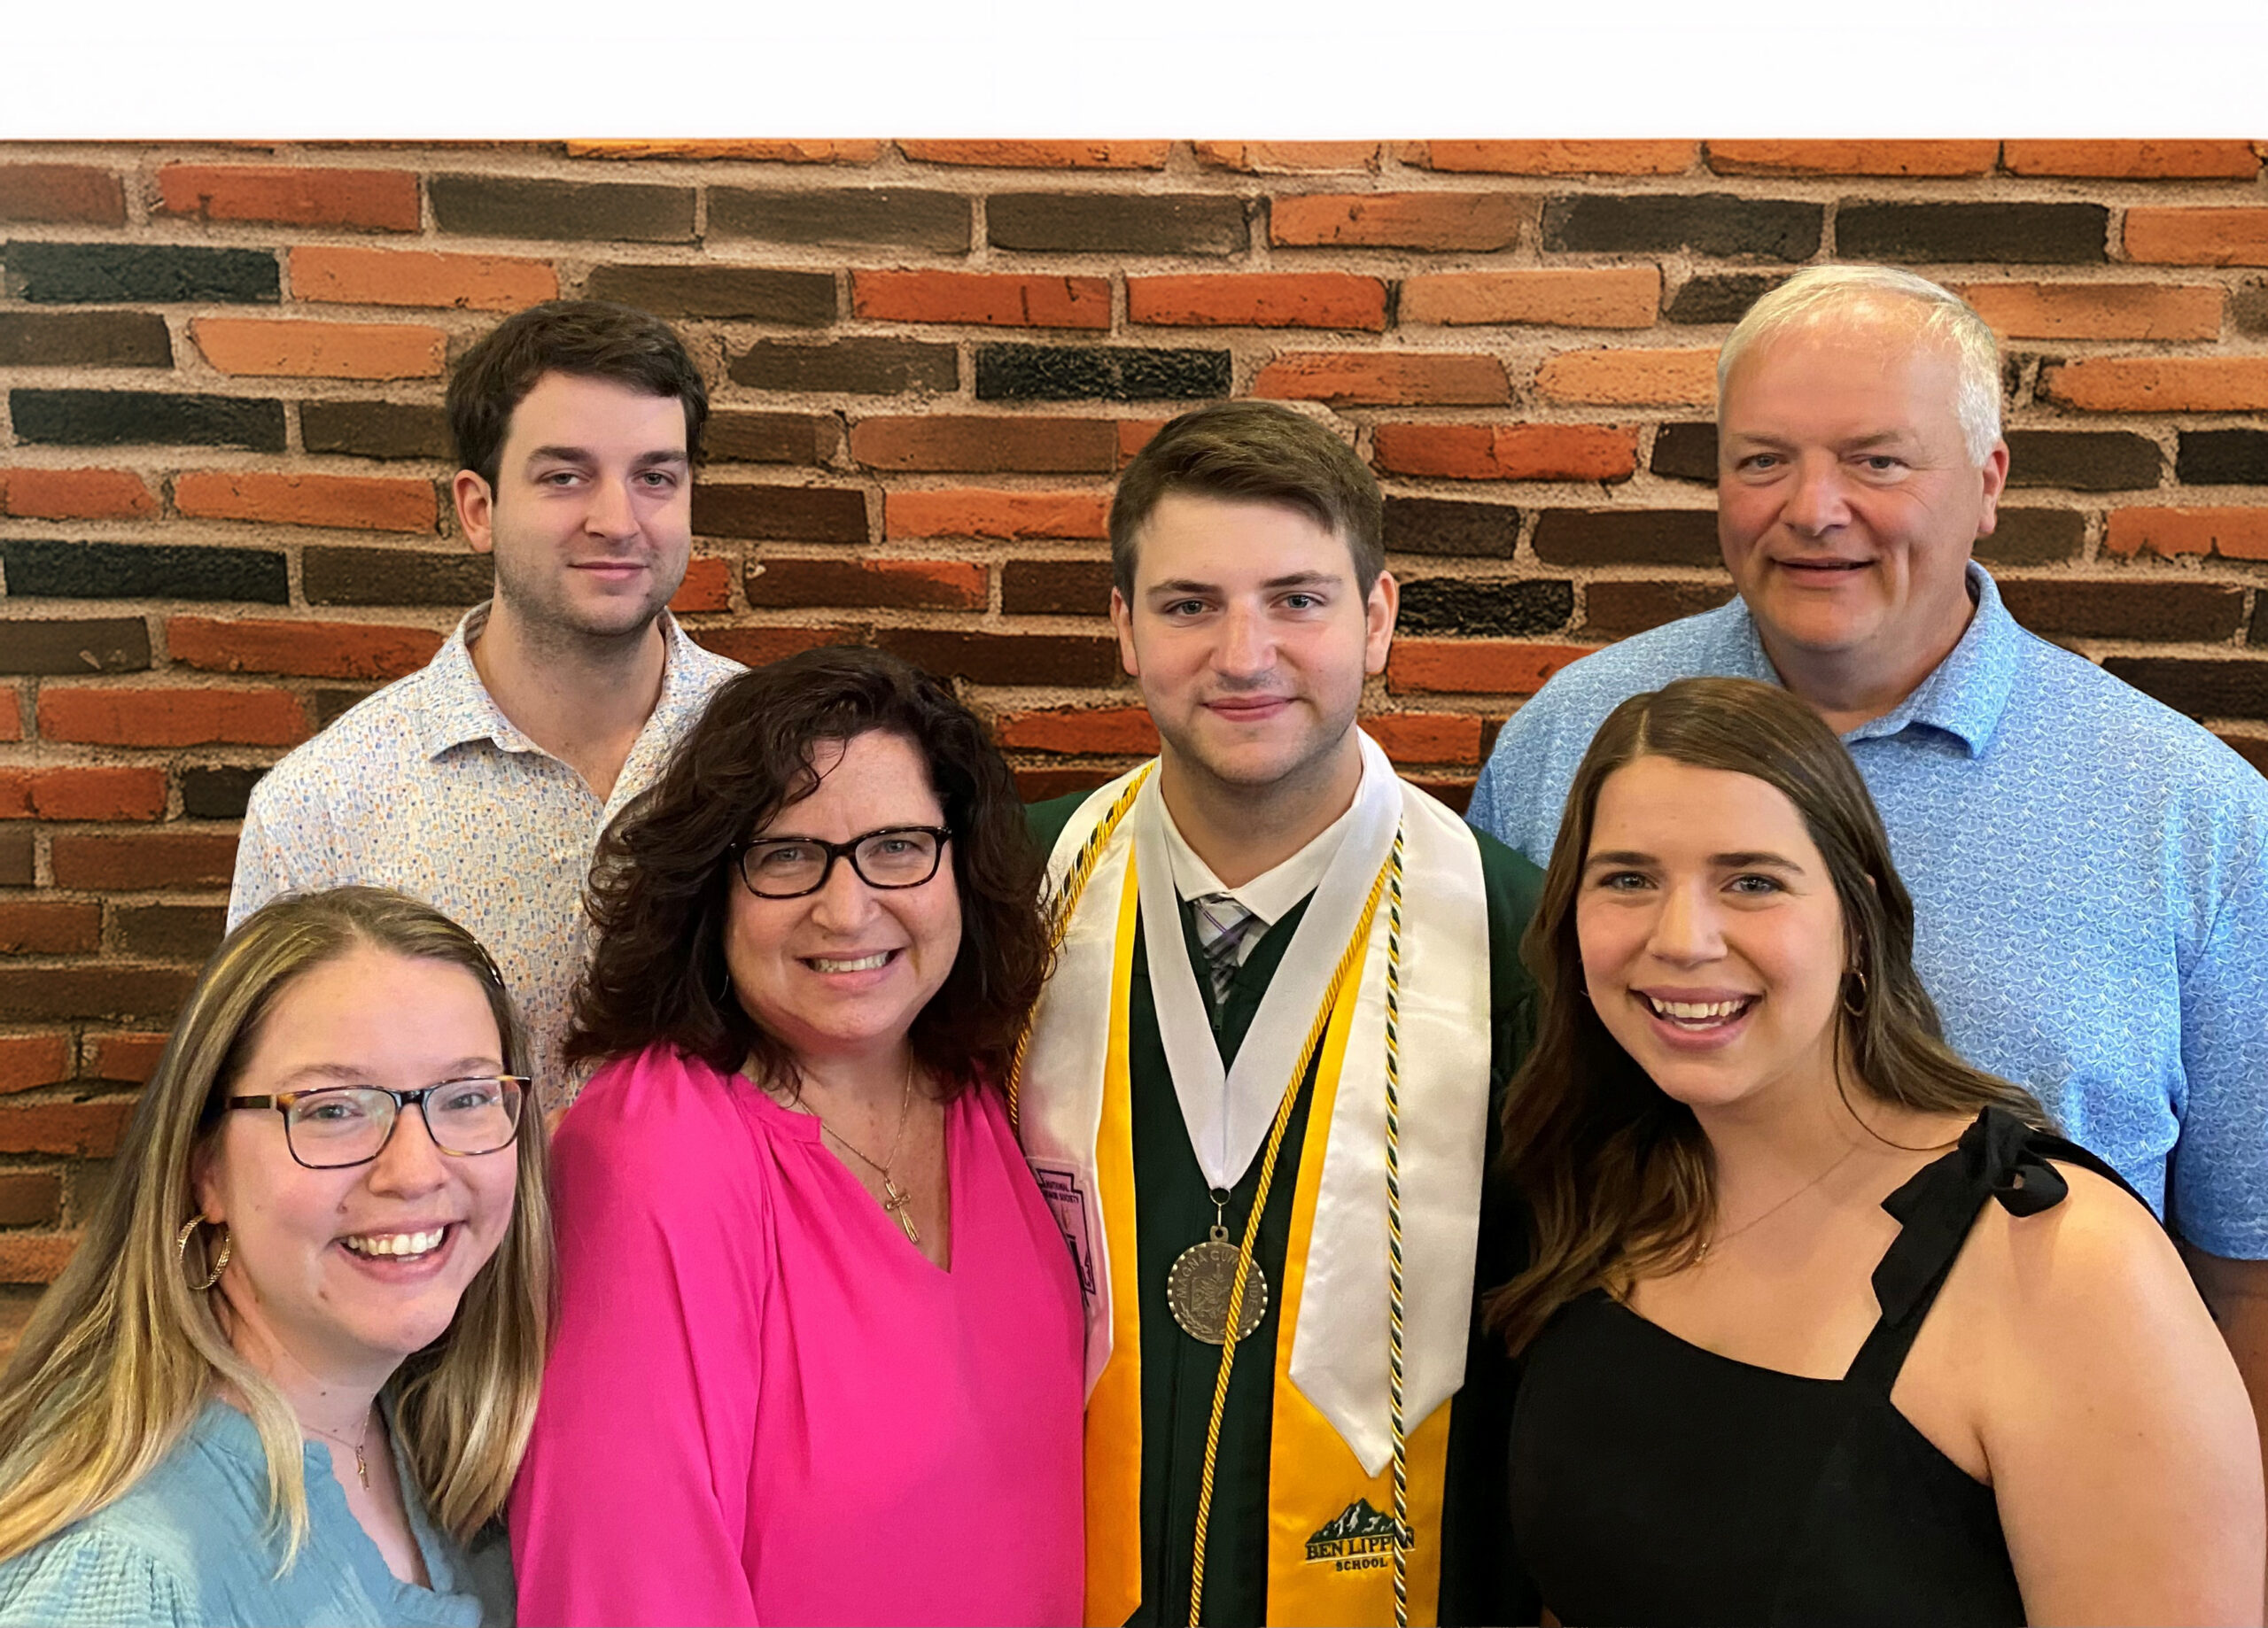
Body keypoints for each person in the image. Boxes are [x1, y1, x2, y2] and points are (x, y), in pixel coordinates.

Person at [1465, 263, 2268, 1481]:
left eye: (1877, 461)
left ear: (1987, 482)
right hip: (1615, 1475)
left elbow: (2245, 1263)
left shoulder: (2189, 814)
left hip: (2031, 1518)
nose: (1814, 508)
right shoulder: (1569, 741)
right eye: (1762, 460)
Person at [1495, 675, 2262, 1624]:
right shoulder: (1602, 1184)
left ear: (1857, 919)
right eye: (1627, 879)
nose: (1682, 938)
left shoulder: (2066, 1263)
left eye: (1751, 881)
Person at [1017, 399, 1542, 1627]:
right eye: (1189, 604)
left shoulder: (1517, 939)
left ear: (1377, 618)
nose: (1244, 655)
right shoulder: (1013, 896)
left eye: (1297, 600)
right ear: (1123, 628)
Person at [508, 647, 1083, 1626]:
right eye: (785, 856)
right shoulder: (652, 1155)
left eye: (897, 845)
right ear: (711, 890)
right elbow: (622, 1590)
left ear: (962, 865)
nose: (848, 909)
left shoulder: (989, 1092)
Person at [229, 298, 742, 1105]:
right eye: (564, 477)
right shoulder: (322, 806)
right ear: (479, 509)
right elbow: (268, 1113)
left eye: (655, 478)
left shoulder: (779, 752)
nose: (618, 521)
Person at [0, 887, 551, 1627]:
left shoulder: (417, 1435)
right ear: (206, 1169)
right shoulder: (121, 1572)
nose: (417, 1172)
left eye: (466, 1097)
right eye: (333, 1109)